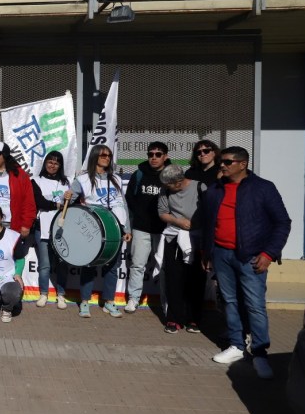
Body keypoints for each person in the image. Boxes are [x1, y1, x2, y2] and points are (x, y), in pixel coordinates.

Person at [202, 146, 291, 380]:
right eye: (221, 161)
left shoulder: (263, 188)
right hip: (221, 254)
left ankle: (260, 353)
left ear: (243, 164)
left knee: (254, 305)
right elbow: (208, 224)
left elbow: (282, 222)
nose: (222, 165)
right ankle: (236, 346)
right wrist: (207, 253)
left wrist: (269, 253)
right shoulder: (215, 190)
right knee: (229, 301)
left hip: (251, 256)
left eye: (228, 162)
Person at [63, 145, 132, 318]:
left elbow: (123, 204)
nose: (106, 158)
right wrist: (67, 197)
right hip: (94, 227)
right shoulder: (83, 179)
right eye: (103, 155)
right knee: (89, 265)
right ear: (95, 156)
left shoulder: (115, 178)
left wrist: (127, 227)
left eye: (108, 155)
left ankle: (109, 302)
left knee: (113, 267)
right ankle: (85, 302)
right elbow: (70, 202)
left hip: (115, 228)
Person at [123, 141, 171, 314]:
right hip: (141, 228)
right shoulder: (139, 174)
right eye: (150, 154)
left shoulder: (172, 175)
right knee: (137, 265)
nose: (154, 158)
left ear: (165, 156)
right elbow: (128, 201)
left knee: (165, 267)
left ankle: (167, 304)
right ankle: (133, 299)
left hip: (165, 229)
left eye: (158, 154)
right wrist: (130, 225)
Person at [157, 164, 205, 334]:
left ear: (178, 182)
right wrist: (179, 222)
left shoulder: (200, 187)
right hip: (174, 237)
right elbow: (163, 212)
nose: (166, 188)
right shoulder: (165, 191)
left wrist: (195, 225)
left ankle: (194, 319)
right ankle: (174, 318)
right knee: (173, 279)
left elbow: (208, 211)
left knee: (196, 280)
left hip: (196, 239)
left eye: (169, 185)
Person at [30, 150, 69, 309]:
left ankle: (61, 295)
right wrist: (57, 205)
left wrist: (68, 199)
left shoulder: (67, 183)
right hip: (43, 227)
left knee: (62, 263)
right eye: (50, 162)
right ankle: (43, 294)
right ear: (45, 163)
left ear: (60, 166)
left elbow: (71, 203)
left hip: (62, 229)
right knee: (45, 264)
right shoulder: (36, 181)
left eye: (56, 163)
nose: (52, 165)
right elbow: (40, 202)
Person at [0, 141, 36, 237]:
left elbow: (28, 201)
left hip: (12, 226)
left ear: (5, 156)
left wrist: (26, 224)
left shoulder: (19, 174)